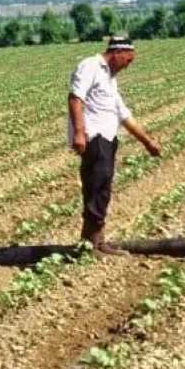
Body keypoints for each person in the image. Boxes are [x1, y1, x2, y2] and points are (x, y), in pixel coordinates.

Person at [68, 36, 162, 252]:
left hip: (108, 139)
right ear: (117, 52)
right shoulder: (90, 66)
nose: (127, 66)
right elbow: (75, 98)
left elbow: (123, 114)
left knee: (102, 187)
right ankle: (93, 241)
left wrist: (147, 142)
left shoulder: (110, 79)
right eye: (128, 61)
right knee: (97, 185)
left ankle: (96, 238)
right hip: (95, 137)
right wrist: (80, 133)